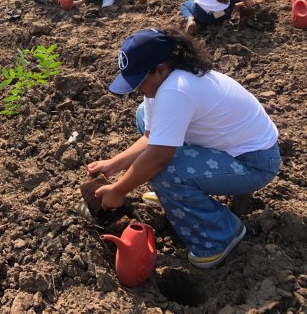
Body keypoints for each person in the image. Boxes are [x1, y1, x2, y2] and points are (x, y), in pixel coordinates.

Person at [88, 28, 280, 269]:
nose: (136, 89)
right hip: (225, 149)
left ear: (161, 69)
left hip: (255, 162)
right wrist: (114, 164)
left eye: (139, 80)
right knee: (143, 118)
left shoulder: (176, 89)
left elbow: (158, 157)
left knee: (165, 171)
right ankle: (175, 196)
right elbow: (150, 137)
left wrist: (118, 190)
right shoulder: (162, 84)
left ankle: (220, 236)